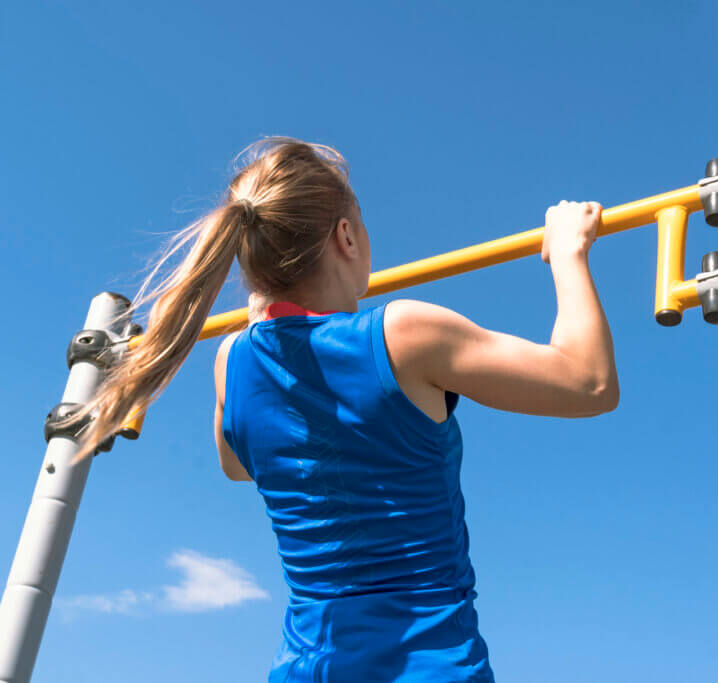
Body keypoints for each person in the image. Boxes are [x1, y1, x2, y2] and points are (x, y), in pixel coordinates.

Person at [73, 137, 619, 681]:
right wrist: (570, 252)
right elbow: (590, 384)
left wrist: (271, 327)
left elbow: (237, 465)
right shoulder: (402, 333)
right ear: (347, 236)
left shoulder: (231, 360)